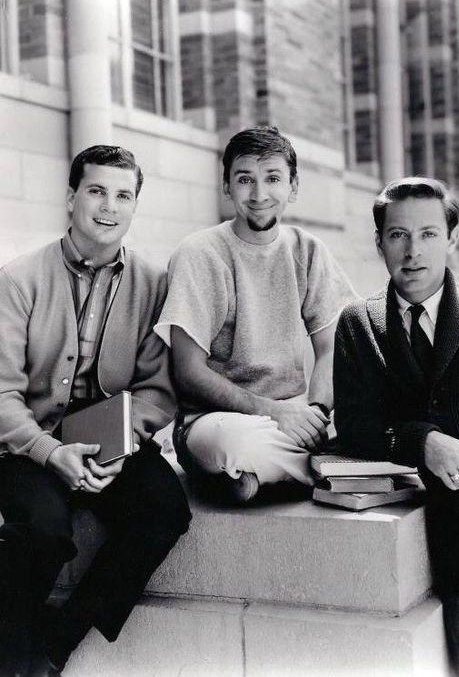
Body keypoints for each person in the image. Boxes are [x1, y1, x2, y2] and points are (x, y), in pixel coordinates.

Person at [0, 145, 191, 677]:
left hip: (111, 433)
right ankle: (10, 655)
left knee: (165, 510)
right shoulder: (17, 280)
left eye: (123, 195)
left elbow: (156, 389)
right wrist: (50, 452)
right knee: (43, 529)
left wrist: (122, 443)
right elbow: (2, 394)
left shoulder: (154, 284)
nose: (109, 206)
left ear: (135, 206)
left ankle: (56, 646)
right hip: (28, 437)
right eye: (97, 191)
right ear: (71, 198)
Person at [333, 176, 459, 675]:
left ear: (451, 238)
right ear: (379, 242)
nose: (413, 251)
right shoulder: (359, 324)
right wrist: (421, 441)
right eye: (398, 235)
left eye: (428, 234)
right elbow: (353, 426)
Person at [155, 126, 356, 503]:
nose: (259, 194)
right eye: (245, 179)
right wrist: (275, 414)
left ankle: (262, 478)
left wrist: (314, 413)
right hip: (216, 420)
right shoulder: (200, 253)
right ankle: (319, 469)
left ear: (293, 187)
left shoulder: (307, 250)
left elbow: (334, 348)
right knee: (237, 445)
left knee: (370, 423)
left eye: (273, 179)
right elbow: (188, 372)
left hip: (294, 414)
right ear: (227, 187)